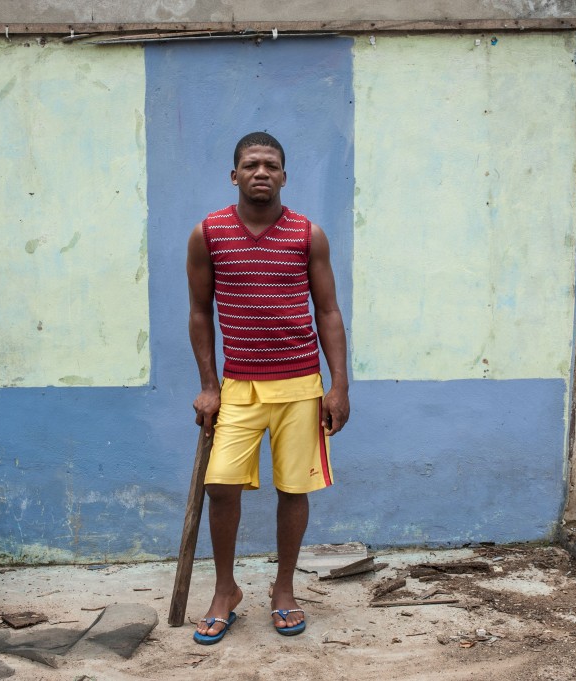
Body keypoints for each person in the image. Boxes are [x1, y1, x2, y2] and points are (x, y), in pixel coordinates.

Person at [186, 131, 350, 644]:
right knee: (221, 485)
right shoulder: (208, 233)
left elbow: (328, 312)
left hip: (300, 384)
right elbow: (199, 313)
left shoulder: (308, 234)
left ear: (284, 175)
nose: (262, 172)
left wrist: (338, 384)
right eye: (251, 164)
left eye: (271, 165)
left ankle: (284, 590)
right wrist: (208, 386)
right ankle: (225, 591)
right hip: (239, 386)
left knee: (293, 488)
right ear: (234, 175)